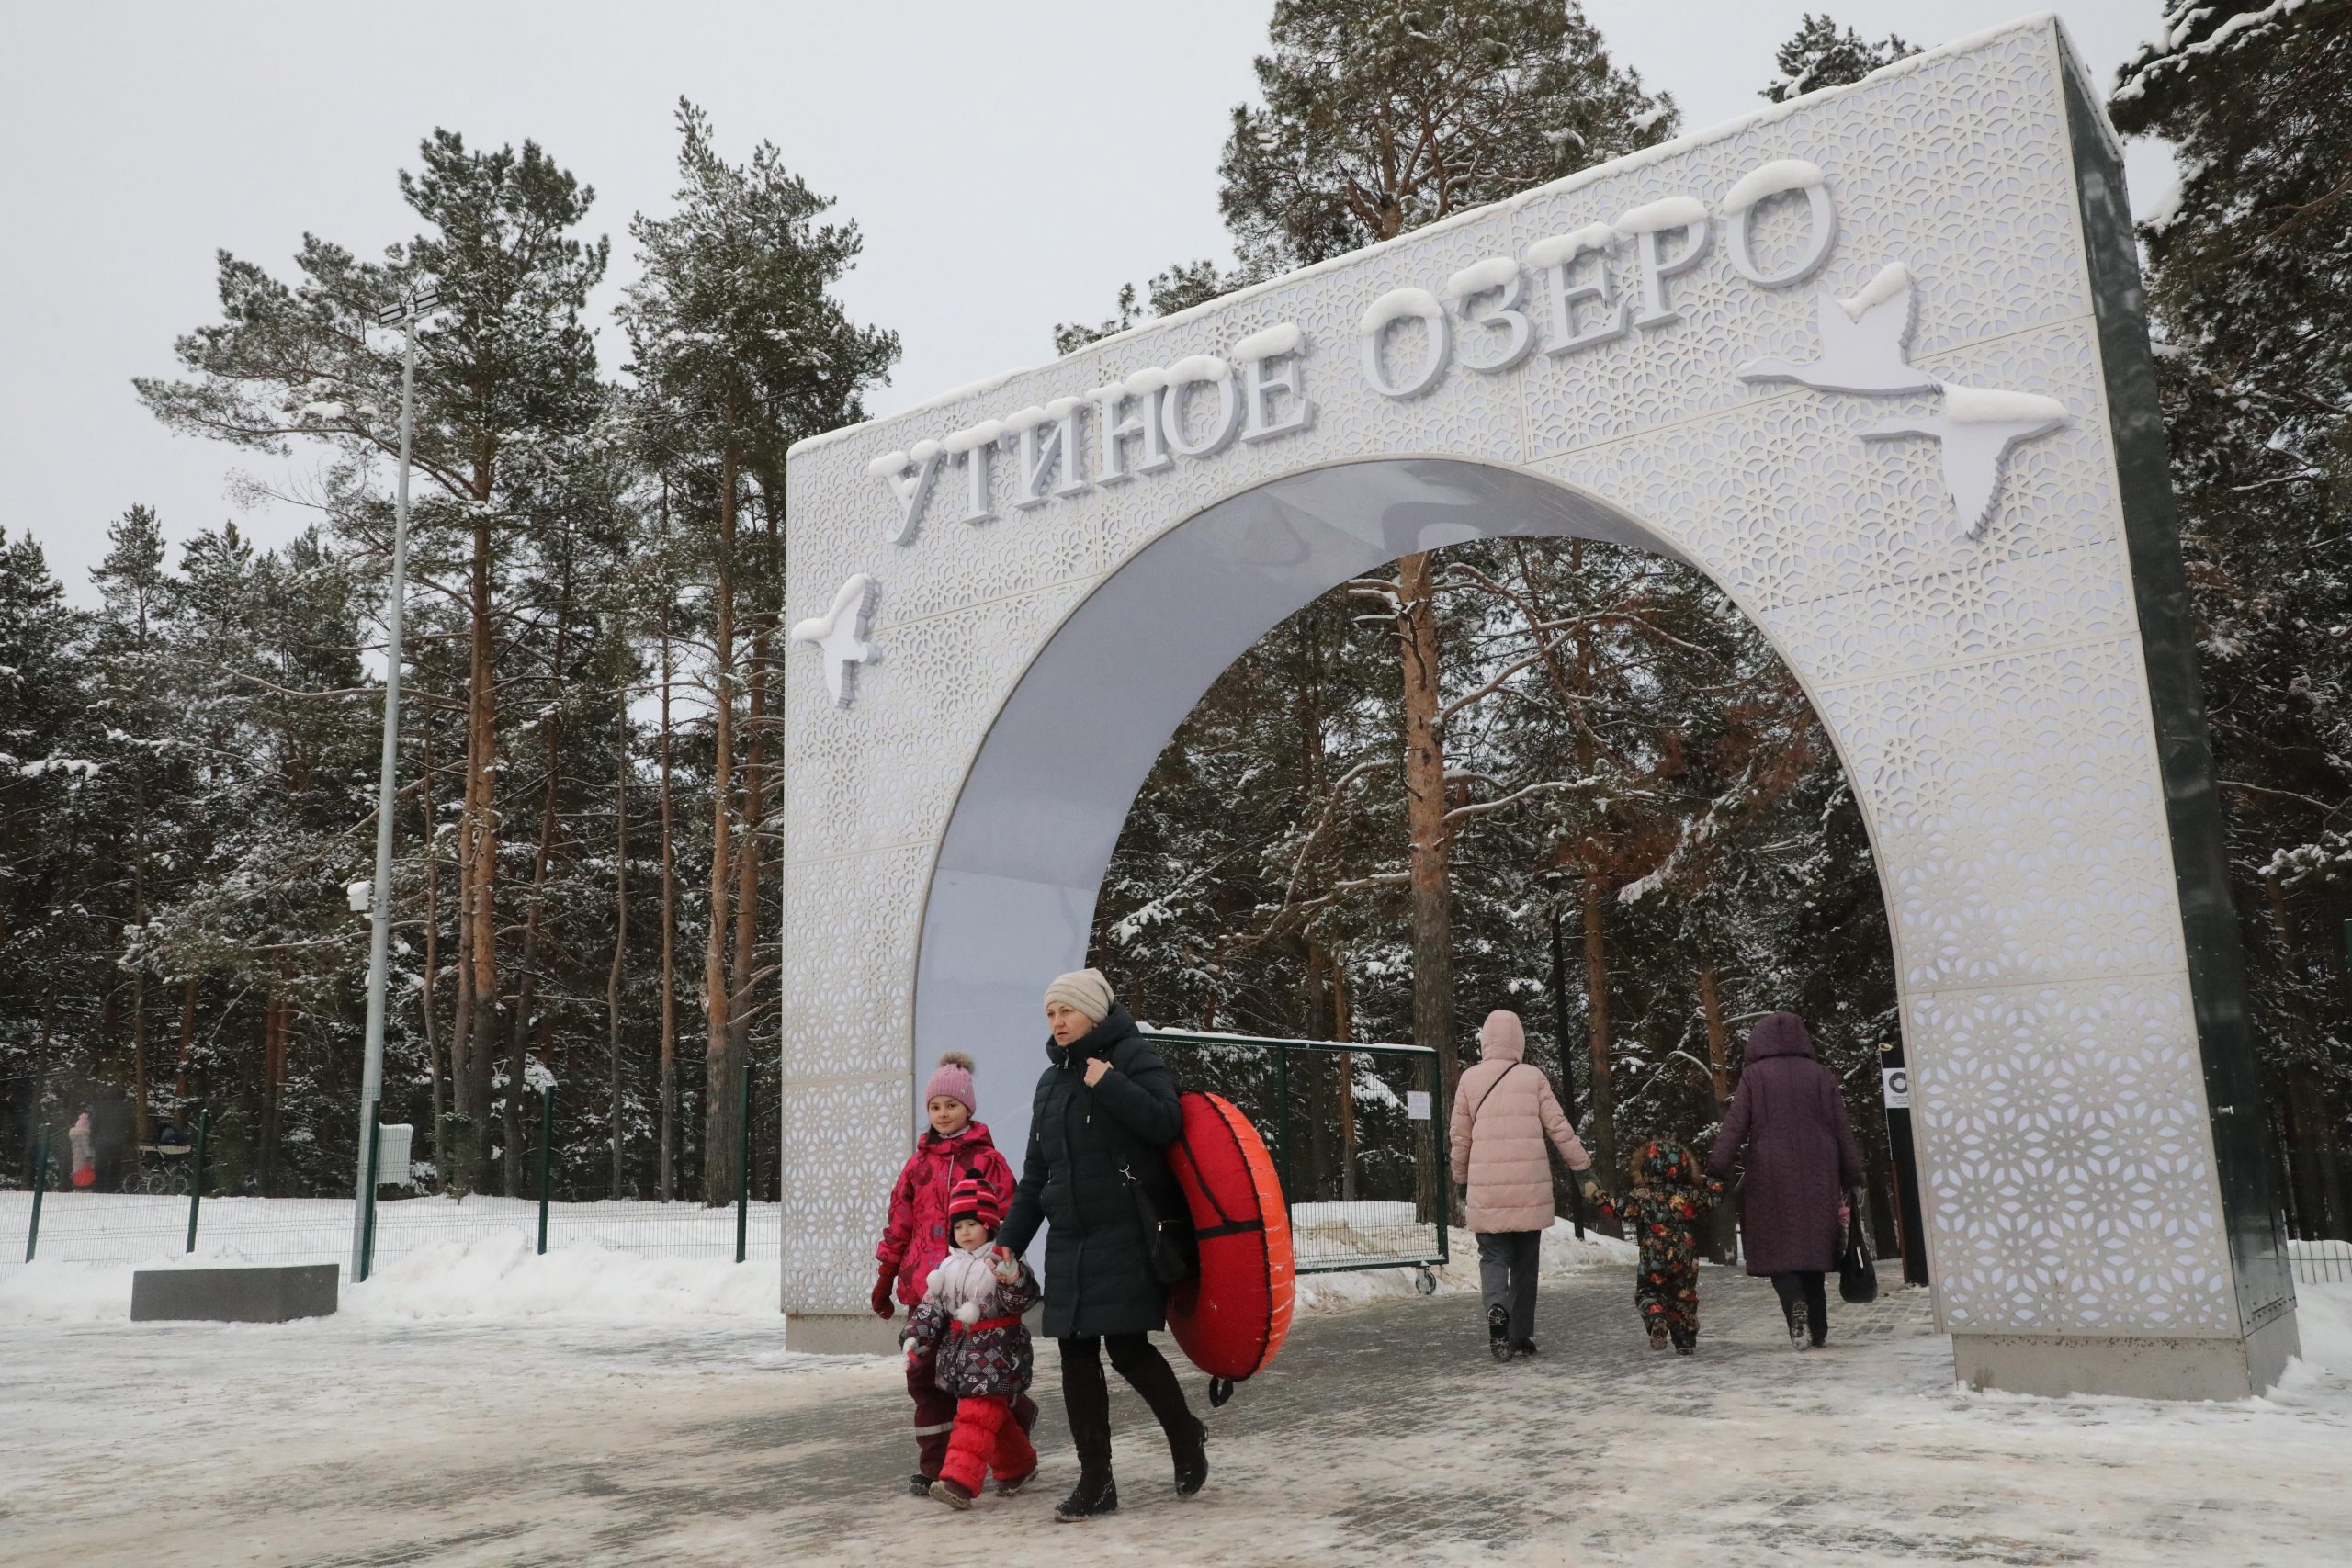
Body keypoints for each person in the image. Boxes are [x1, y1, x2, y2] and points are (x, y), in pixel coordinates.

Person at [996, 967, 1206, 1523]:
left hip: (1125, 1231)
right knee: (1075, 1353)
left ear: (1094, 1011)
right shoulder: (1050, 1081)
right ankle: (1097, 1481)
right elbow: (1037, 1172)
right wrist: (1010, 1241)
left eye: (1067, 1011)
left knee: (1128, 1349)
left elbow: (1167, 1122)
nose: (1058, 1022)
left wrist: (1109, 1082)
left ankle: (1185, 1435)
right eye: (1050, 1013)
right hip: (1070, 1237)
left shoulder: (1132, 1055)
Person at [871, 1050, 1028, 1496]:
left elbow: (1011, 1219)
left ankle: (1014, 1418)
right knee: (924, 1376)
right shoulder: (917, 1166)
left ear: (968, 1108)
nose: (942, 1114)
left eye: (951, 1105)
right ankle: (936, 1464)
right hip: (927, 1290)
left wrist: (1002, 1269)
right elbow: (899, 1223)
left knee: (976, 1381)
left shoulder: (989, 1162)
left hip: (976, 1298)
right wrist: (885, 1279)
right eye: (935, 1106)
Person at [1705, 1010, 1866, 1350]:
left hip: (1770, 1174)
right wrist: (1853, 1175)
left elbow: (1735, 1125)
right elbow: (1842, 1129)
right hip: (1821, 1173)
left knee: (1780, 1250)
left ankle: (1795, 1305)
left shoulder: (1754, 1076)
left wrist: (1717, 1167)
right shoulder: (1822, 1076)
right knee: (1813, 1252)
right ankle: (1819, 1331)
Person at [1448, 1009, 1598, 1361]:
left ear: (1485, 1040)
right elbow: (1559, 1127)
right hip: (1529, 1190)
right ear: (1519, 1040)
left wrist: (1460, 1180)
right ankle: (1521, 1335)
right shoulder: (1533, 1077)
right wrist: (1583, 1170)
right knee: (1526, 1264)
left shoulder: (1469, 1080)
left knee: (1493, 1258)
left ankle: (1496, 1310)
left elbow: (1460, 1138)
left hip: (1487, 1189)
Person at [901, 1174, 1042, 1508]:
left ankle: (959, 1482)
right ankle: (1019, 1465)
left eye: (973, 1224)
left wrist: (1013, 1280)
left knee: (974, 1417)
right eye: (959, 1225)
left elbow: (1023, 1299)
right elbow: (932, 1307)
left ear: (990, 1225)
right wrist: (914, 1336)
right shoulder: (948, 1266)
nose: (964, 1232)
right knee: (992, 1419)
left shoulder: (1002, 1260)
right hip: (963, 1357)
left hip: (999, 1353)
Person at [1597, 1141, 1724, 1355]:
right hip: (1685, 1255)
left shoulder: (1642, 1195)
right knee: (1683, 1295)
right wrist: (1718, 1183)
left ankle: (1657, 1318)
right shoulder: (1689, 1194)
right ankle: (1684, 1340)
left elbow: (1618, 1208)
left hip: (1653, 1254)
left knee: (1649, 1291)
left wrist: (1596, 1195)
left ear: (1646, 1166)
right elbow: (1712, 1198)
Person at [91, 1086, 133, 1192]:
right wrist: (128, 1139)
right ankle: (112, 1187)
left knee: (100, 1164)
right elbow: (130, 1125)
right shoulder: (125, 1107)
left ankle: (98, 1187)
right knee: (115, 1164)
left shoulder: (100, 1106)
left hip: (101, 1141)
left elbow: (94, 1125)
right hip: (118, 1142)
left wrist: (92, 1140)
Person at [68, 1111, 96, 1188]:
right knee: (84, 1172)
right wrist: (89, 1155)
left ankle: (77, 1185)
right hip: (83, 1158)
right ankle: (83, 1186)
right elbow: (86, 1146)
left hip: (77, 1157)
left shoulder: (75, 1136)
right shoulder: (84, 1136)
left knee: (77, 1172)